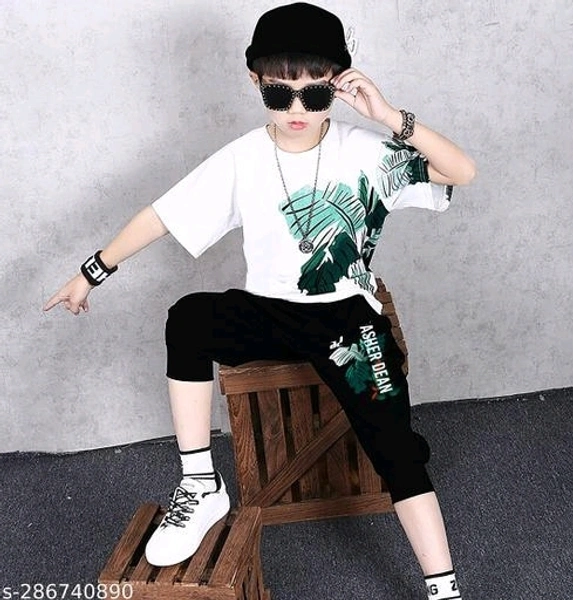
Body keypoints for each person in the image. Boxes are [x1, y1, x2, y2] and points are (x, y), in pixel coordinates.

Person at [44, 3, 475, 599]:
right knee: (189, 318)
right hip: (271, 312)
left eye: (314, 93)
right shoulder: (244, 157)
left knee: (398, 451)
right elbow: (163, 215)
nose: (297, 109)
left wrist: (388, 116)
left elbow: (461, 171)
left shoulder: (369, 151)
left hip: (347, 321)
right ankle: (201, 483)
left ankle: (443, 588)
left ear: (338, 83)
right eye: (279, 93)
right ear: (255, 82)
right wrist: (91, 272)